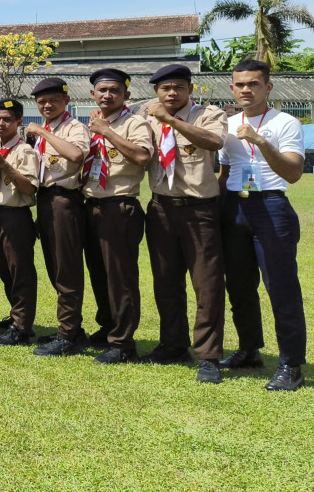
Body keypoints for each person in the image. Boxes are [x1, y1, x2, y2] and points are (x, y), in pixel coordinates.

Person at [218, 59, 306, 391]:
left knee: (281, 288)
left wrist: (261, 141)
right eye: (240, 84)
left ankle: (291, 365)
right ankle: (249, 350)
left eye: (254, 84)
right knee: (239, 286)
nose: (246, 89)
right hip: (234, 207)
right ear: (232, 88)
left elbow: (294, 173)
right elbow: (224, 173)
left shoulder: (286, 123)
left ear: (267, 87)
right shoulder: (226, 125)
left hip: (270, 207)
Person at [140, 64, 228, 383]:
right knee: (165, 281)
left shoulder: (208, 114)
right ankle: (173, 344)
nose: (172, 93)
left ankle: (208, 355)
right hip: (161, 208)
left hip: (199, 210)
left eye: (179, 87)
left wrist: (169, 119)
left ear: (191, 89)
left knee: (207, 284)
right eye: (165, 88)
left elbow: (214, 142)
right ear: (156, 92)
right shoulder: (145, 117)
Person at [80, 69, 154, 364]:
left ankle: (123, 342)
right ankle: (108, 326)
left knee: (120, 277)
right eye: (102, 90)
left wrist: (107, 132)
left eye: (114, 90)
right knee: (99, 273)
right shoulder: (92, 123)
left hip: (119, 206)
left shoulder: (134, 122)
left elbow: (142, 157)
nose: (107, 95)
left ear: (126, 95)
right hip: (91, 205)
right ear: (92, 95)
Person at [25, 77, 92, 357]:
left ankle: (68, 335)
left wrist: (43, 132)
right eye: (41, 102)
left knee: (67, 269)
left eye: (53, 100)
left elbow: (76, 155)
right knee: (54, 266)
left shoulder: (73, 127)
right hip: (45, 200)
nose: (47, 105)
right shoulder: (48, 128)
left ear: (66, 101)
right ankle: (72, 329)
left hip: (65, 200)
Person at [0, 99, 40, 347]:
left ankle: (22, 328)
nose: (1, 123)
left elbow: (29, 189)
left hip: (16, 215)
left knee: (20, 272)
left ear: (19, 122)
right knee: (6, 271)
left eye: (7, 119)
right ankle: (17, 317)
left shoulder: (24, 151)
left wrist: (4, 166)